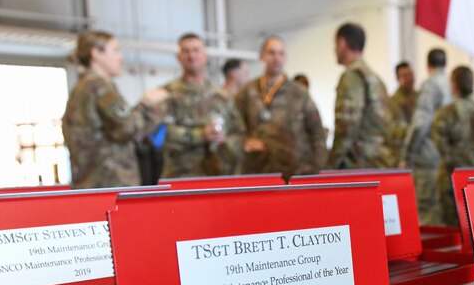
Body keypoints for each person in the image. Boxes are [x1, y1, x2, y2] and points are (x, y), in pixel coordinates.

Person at [62, 30, 167, 189]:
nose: (121, 57)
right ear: (97, 53)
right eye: (116, 50)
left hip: (91, 184)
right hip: (110, 184)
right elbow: (128, 127)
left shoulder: (82, 87)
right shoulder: (99, 86)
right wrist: (147, 104)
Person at [235, 35, 328, 178]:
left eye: (281, 53)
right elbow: (233, 128)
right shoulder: (247, 92)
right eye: (271, 53)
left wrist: (315, 168)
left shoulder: (299, 93)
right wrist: (244, 142)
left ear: (285, 58)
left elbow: (317, 133)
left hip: (292, 172)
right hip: (256, 172)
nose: (276, 58)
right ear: (262, 56)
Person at [160, 33, 244, 178]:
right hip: (181, 176)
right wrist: (200, 135)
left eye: (196, 50)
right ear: (178, 57)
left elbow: (240, 134)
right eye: (186, 51)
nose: (191, 56)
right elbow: (160, 135)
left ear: (205, 55)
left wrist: (224, 140)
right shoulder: (167, 94)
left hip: (218, 175)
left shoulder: (221, 96)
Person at [431, 66, 474, 227]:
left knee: (452, 226)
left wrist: (456, 164)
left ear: (454, 85)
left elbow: (438, 141)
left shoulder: (446, 113)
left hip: (450, 178)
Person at [328, 22, 393, 169]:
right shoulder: (374, 78)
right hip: (379, 160)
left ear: (342, 43)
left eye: (335, 44)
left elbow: (347, 124)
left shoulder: (351, 76)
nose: (334, 49)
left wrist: (332, 163)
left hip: (358, 163)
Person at [400, 49, 452, 224]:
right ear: (445, 64)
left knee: (426, 214)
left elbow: (420, 123)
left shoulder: (430, 85)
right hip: (446, 157)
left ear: (427, 64)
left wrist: (406, 155)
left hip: (428, 158)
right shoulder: (451, 85)